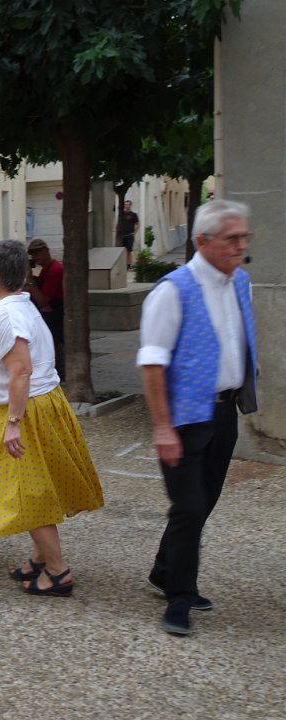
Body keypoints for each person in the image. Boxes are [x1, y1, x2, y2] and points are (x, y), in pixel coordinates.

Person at [0, 239, 103, 596]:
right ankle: (40, 558)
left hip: (23, 410)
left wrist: (13, 424)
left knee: (26, 493)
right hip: (40, 403)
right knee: (35, 486)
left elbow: (21, 371)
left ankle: (57, 571)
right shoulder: (24, 306)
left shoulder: (8, 315)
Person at [138, 199, 257, 636]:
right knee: (188, 507)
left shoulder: (240, 282)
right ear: (202, 241)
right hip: (184, 418)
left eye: (243, 237)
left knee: (201, 503)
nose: (240, 245)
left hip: (224, 411)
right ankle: (180, 596)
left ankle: (164, 570)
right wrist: (162, 427)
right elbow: (152, 362)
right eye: (232, 238)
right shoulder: (173, 290)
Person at [26, 238, 64, 378]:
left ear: (47, 251)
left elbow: (42, 301)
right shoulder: (46, 270)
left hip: (56, 315)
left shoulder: (54, 270)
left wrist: (30, 280)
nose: (35, 257)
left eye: (38, 253)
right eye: (33, 254)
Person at [118, 199, 140, 269]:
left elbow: (137, 224)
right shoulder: (122, 214)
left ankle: (129, 264)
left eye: (127, 204)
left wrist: (134, 233)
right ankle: (122, 264)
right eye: (125, 204)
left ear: (130, 205)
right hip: (122, 235)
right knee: (121, 250)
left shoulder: (133, 215)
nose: (126, 206)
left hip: (129, 235)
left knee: (129, 250)